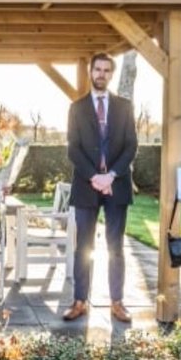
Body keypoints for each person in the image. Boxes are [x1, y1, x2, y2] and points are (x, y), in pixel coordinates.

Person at [62, 53, 138, 324]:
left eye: (107, 70)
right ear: (91, 72)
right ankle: (79, 301)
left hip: (117, 186)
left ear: (111, 74)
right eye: (98, 69)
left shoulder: (125, 107)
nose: (101, 74)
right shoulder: (77, 108)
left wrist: (112, 175)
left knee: (115, 247)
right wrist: (95, 176)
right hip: (86, 186)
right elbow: (73, 148)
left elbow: (131, 145)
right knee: (83, 246)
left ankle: (117, 302)